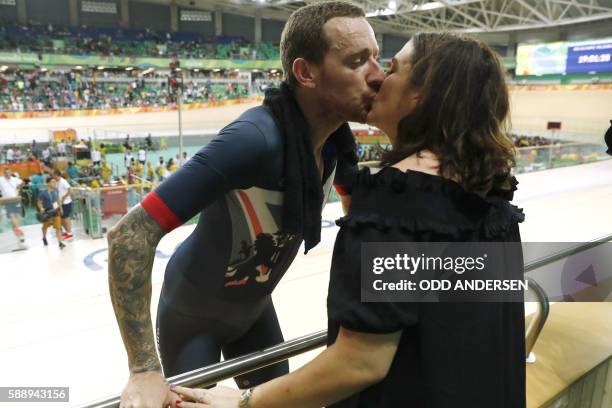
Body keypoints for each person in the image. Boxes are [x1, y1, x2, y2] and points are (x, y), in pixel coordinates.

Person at [181, 33, 526, 408]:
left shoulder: (396, 205)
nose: (378, 78)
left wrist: (244, 402)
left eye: (393, 68)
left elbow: (361, 362)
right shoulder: (492, 194)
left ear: (421, 95)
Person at [107, 2, 384, 407]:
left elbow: (353, 210)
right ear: (306, 72)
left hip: (254, 311)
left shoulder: (339, 141)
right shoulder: (254, 139)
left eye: (377, 58)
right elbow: (129, 234)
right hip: (191, 318)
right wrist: (143, 369)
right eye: (358, 61)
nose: (378, 75)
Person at [0, 166, 26, 248]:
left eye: (8, 172)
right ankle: (19, 231)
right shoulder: (1, 180)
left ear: (11, 172)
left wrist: (19, 187)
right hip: (8, 201)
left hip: (16, 200)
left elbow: (23, 183)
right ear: (3, 173)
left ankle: (19, 238)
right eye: (5, 173)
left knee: (16, 219)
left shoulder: (15, 179)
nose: (7, 174)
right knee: (12, 216)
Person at [37, 177, 65, 249]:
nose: (55, 183)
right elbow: (39, 203)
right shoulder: (43, 193)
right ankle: (44, 237)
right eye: (53, 182)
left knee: (58, 228)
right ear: (48, 183)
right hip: (47, 213)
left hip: (55, 212)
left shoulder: (56, 191)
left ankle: (60, 242)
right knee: (45, 227)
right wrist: (41, 208)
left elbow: (58, 200)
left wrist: (61, 208)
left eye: (55, 182)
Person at [54, 170, 73, 240]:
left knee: (66, 218)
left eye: (54, 175)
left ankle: (69, 233)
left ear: (57, 175)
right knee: (62, 218)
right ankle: (66, 231)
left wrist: (64, 197)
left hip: (66, 202)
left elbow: (70, 190)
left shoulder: (63, 181)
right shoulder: (57, 182)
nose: (53, 176)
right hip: (60, 203)